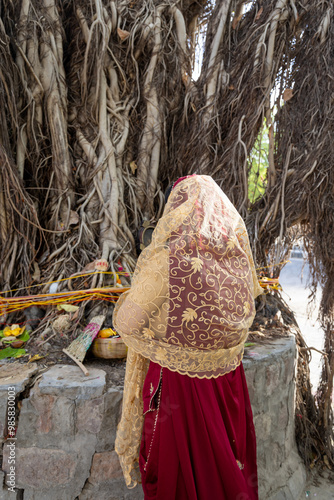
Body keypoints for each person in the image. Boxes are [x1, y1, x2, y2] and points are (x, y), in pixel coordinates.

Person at [113, 175, 263, 500]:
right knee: (223, 472)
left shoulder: (169, 263)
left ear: (176, 212)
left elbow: (128, 322)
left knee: (181, 481)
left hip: (180, 391)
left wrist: (147, 307)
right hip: (228, 385)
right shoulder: (235, 263)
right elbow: (249, 302)